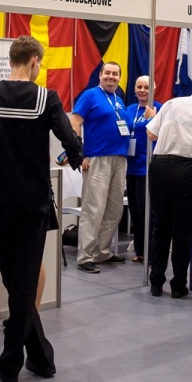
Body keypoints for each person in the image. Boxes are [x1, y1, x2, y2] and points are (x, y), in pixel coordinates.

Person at [0, 35, 83, 382]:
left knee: (15, 281)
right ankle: (37, 359)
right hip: (32, 203)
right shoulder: (47, 98)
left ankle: (15, 361)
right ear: (33, 60)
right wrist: (76, 158)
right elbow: (70, 141)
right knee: (23, 282)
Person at [146, 81, 192, 298]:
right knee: (183, 231)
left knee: (160, 228)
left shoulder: (171, 103)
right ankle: (178, 285)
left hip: (160, 166)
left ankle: (156, 283)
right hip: (188, 170)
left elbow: (151, 134)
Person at [70, 62, 131, 274]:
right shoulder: (90, 96)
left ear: (120, 77)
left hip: (119, 158)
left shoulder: (119, 100)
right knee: (93, 209)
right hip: (97, 158)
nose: (111, 77)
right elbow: (74, 122)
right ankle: (85, 256)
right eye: (108, 73)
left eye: (115, 74)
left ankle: (102, 251)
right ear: (100, 76)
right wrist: (79, 153)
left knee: (114, 210)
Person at [124, 75, 160, 263]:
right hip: (131, 167)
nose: (142, 90)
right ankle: (139, 250)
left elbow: (162, 133)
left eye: (147, 87)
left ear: (153, 89)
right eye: (139, 86)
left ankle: (152, 252)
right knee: (136, 211)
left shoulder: (160, 109)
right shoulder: (129, 109)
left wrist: (153, 119)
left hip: (149, 168)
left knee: (148, 212)